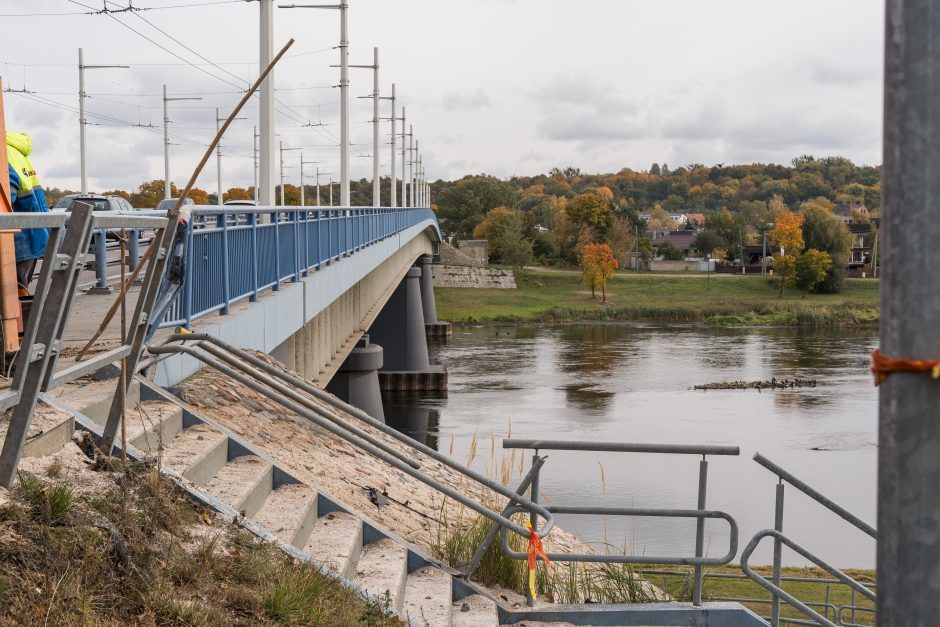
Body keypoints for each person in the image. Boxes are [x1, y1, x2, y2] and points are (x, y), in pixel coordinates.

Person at [6, 131, 50, 297]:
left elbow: (5, 199)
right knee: (18, 295)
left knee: (13, 300)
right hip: (30, 237)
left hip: (16, 242)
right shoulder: (15, 150)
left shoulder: (4, 153)